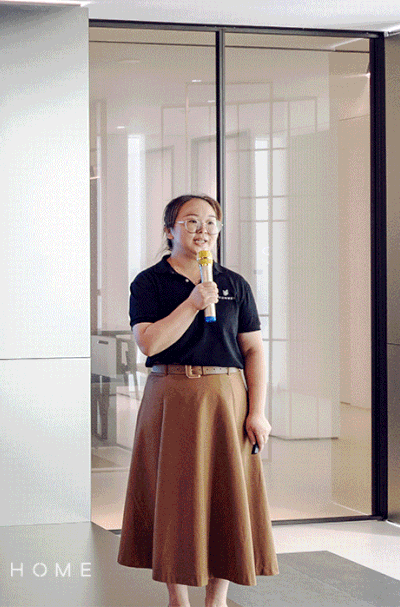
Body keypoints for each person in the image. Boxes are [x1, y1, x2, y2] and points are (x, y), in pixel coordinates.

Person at [116, 194, 278, 607]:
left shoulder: (234, 284)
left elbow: (253, 350)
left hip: (226, 398)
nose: (202, 230)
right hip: (170, 395)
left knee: (226, 494)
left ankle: (216, 599)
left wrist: (257, 411)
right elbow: (149, 342)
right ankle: (178, 597)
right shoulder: (149, 282)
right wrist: (193, 304)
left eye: (210, 222)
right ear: (170, 230)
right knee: (174, 496)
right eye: (191, 221)